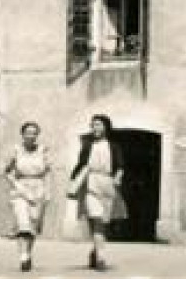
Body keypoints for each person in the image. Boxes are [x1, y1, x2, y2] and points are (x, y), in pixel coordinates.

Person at [70, 113, 126, 271]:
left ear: (106, 127)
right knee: (96, 218)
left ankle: (95, 252)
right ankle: (101, 257)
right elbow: (80, 164)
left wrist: (118, 177)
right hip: (90, 183)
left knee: (103, 222)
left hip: (107, 184)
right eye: (93, 124)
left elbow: (120, 165)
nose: (95, 127)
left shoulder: (114, 145)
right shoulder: (87, 144)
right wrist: (72, 183)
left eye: (98, 124)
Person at [4, 121, 52, 272]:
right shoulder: (16, 151)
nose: (31, 135)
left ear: (37, 135)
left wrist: (48, 191)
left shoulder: (43, 150)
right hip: (20, 189)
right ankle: (23, 256)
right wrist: (16, 185)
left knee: (33, 226)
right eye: (28, 132)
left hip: (38, 189)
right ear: (22, 134)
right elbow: (6, 171)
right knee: (22, 223)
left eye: (34, 133)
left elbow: (48, 172)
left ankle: (28, 253)